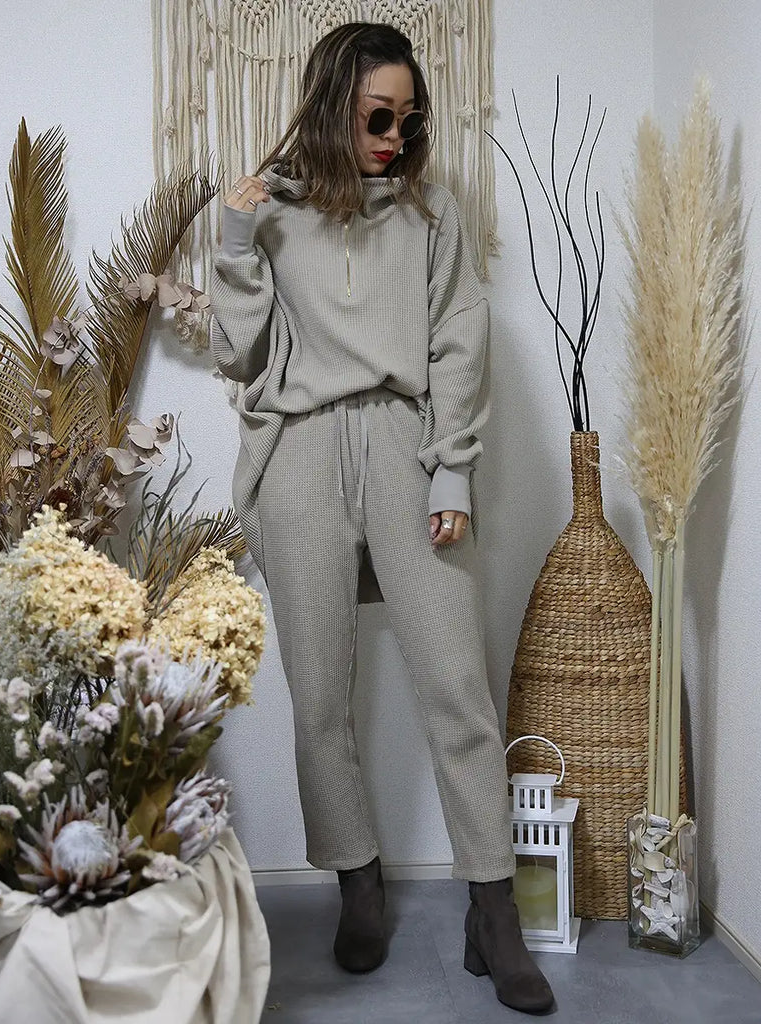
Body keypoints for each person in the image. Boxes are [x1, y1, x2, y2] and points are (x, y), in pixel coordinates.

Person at [210, 21, 554, 1015]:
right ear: (332, 109)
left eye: (409, 118)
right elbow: (237, 354)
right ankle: (356, 882)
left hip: (407, 447)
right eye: (377, 117)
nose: (396, 137)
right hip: (300, 455)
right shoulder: (272, 214)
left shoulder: (431, 214)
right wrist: (233, 242)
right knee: (319, 691)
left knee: (455, 683)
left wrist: (452, 473)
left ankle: (493, 910)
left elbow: (457, 340)